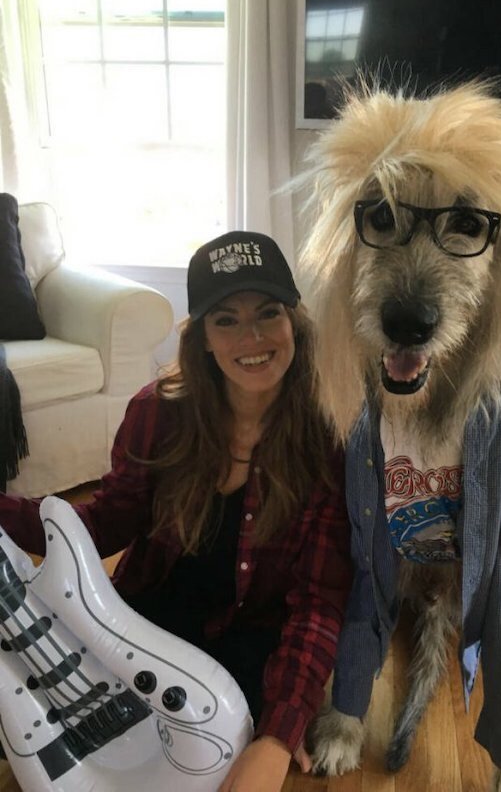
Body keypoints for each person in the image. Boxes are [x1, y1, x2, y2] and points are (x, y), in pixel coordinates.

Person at [0, 230, 353, 792]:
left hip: (250, 646)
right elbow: (103, 524)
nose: (252, 337)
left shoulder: (330, 436)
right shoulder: (157, 413)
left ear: (295, 321)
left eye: (268, 313)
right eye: (226, 320)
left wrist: (279, 733)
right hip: (145, 621)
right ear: (203, 337)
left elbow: (318, 601)